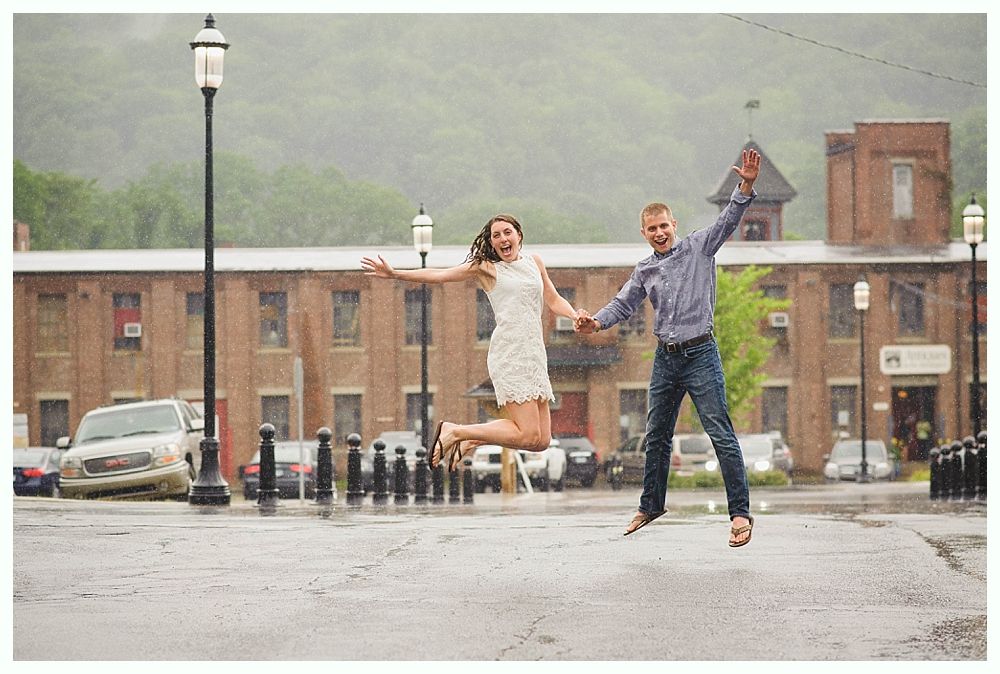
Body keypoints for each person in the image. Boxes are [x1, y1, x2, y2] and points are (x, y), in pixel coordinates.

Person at [576, 148, 761, 547]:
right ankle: (651, 504)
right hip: (667, 357)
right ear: (644, 233)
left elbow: (729, 220)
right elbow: (623, 304)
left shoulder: (700, 247)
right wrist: (595, 322)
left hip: (701, 353)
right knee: (656, 434)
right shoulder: (645, 269)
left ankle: (740, 513)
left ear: (673, 224)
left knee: (720, 432)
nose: (659, 233)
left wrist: (744, 185)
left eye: (664, 225)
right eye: (652, 229)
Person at [361, 214, 582, 471]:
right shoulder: (486, 268)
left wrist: (575, 316)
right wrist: (395, 274)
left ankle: (470, 437)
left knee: (541, 441)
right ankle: (456, 431)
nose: (502, 239)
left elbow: (554, 300)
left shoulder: (535, 262)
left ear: (519, 235)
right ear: (491, 242)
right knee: (528, 434)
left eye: (507, 232)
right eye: (496, 235)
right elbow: (441, 275)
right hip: (511, 353)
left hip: (535, 355)